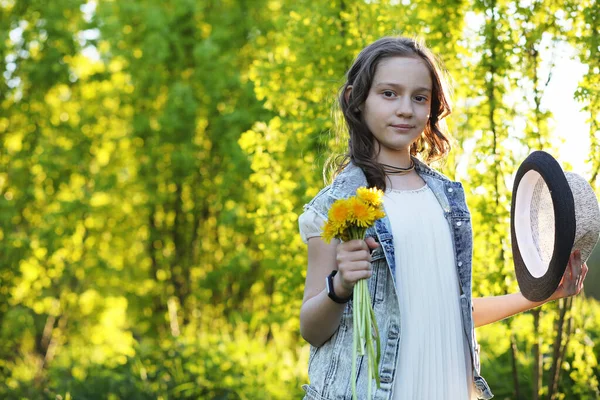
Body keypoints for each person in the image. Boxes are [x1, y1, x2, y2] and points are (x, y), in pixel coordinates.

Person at [297, 36, 588, 400]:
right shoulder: (335, 205)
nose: (406, 109)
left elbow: (455, 312)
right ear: (356, 100)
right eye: (389, 93)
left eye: (420, 97)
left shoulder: (447, 199)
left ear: (432, 108)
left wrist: (540, 295)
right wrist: (339, 286)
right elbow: (311, 328)